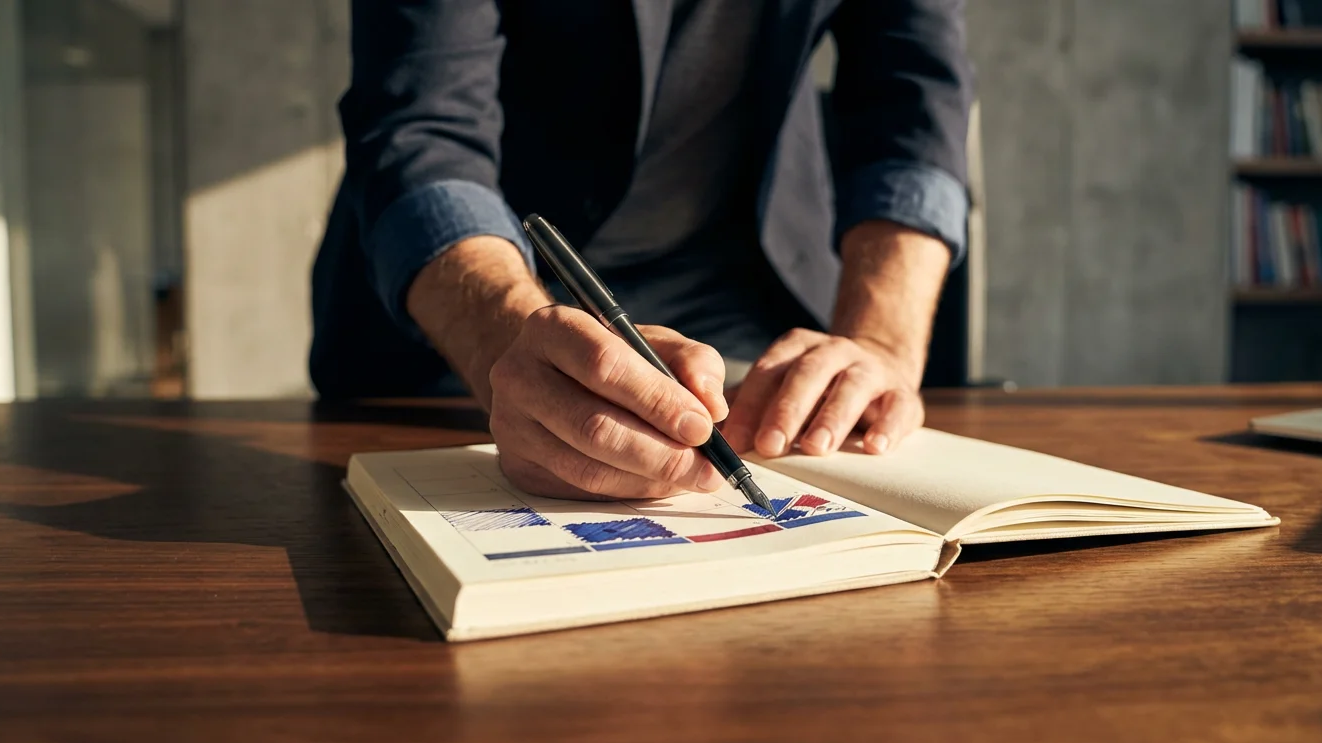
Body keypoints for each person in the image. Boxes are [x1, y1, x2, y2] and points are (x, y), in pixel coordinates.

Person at [311, 1, 972, 501]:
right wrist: (506, 339)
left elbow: (913, 103)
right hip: (468, 318)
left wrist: (881, 340)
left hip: (749, 300)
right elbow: (421, 125)